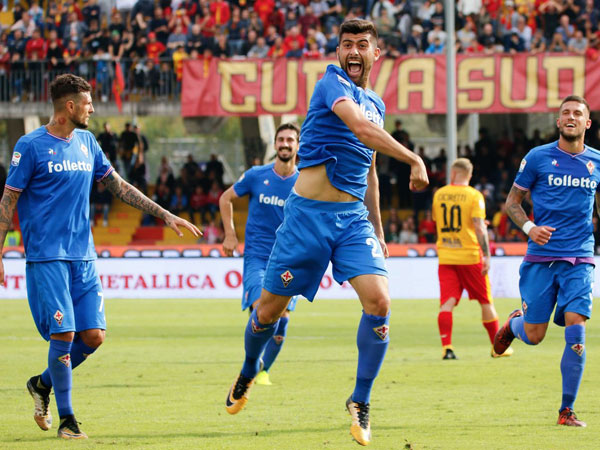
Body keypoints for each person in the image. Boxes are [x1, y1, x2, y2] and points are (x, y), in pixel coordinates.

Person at [224, 19, 428, 446]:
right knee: (268, 312)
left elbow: (370, 171)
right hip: (306, 220)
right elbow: (361, 129)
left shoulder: (377, 103)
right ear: (338, 52)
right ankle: (247, 370)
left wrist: (378, 229)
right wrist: (414, 158)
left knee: (380, 302)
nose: (354, 51)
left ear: (376, 54)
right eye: (347, 44)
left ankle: (360, 400)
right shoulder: (331, 83)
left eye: (362, 45)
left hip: (352, 220)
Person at [0, 74, 200, 440]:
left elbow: (119, 187)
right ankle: (68, 420)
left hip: (84, 256)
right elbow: (8, 200)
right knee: (64, 332)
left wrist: (166, 215)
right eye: (88, 103)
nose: (93, 109)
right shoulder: (30, 146)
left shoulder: (88, 143)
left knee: (93, 336)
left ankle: (41, 384)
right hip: (47, 257)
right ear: (70, 106)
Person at [494, 95, 600, 428]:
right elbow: (512, 202)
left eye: (577, 113)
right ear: (558, 121)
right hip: (541, 257)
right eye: (566, 112)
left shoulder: (597, 161)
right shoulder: (538, 157)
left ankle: (566, 410)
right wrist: (530, 228)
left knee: (576, 329)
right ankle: (514, 324)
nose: (571, 117)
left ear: (587, 123)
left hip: (580, 257)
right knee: (535, 335)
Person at [220, 123, 300, 386]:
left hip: (289, 260)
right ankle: (250, 366)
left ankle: (263, 370)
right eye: (281, 139)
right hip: (257, 257)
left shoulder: (305, 183)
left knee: (282, 321)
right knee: (263, 310)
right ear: (275, 144)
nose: (285, 144)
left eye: (290, 140)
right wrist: (230, 234)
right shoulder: (257, 175)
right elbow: (225, 199)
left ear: (297, 145)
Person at [432, 158, 512, 360]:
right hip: (470, 256)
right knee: (485, 301)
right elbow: (477, 226)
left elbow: (439, 221)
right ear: (469, 175)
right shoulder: (474, 196)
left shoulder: (439, 194)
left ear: (453, 173)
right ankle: (497, 348)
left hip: (447, 256)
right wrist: (487, 255)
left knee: (447, 303)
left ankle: (447, 348)